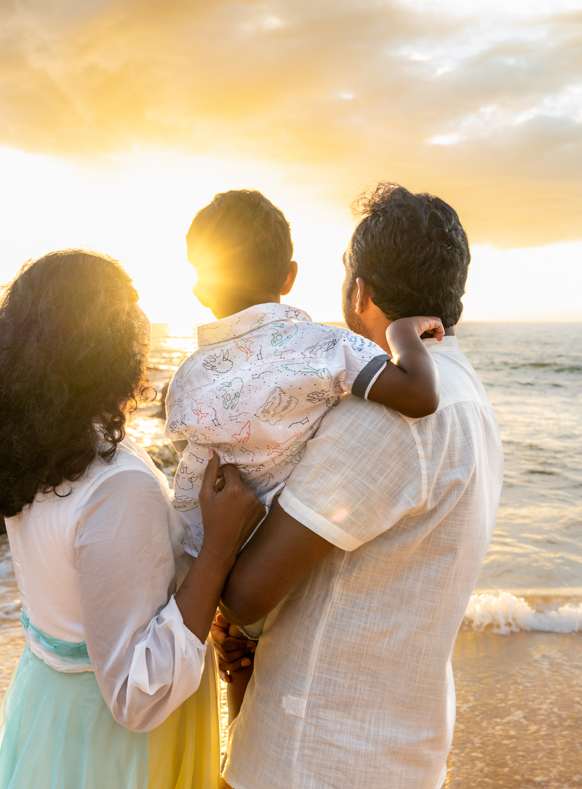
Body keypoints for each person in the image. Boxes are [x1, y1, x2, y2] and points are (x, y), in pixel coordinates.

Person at [0, 250, 265, 789]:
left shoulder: (28, 449)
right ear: (109, 347)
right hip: (117, 749)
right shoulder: (115, 483)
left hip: (52, 708)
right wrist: (219, 549)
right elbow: (137, 693)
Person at [213, 184, 504, 789]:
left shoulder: (381, 418)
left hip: (315, 757)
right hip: (403, 750)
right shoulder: (469, 394)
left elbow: (246, 593)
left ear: (357, 294)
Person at [165, 189, 444, 576]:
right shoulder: (328, 346)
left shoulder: (186, 376)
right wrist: (402, 333)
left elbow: (184, 444)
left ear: (200, 288)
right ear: (290, 276)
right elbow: (419, 395)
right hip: (268, 561)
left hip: (195, 558)